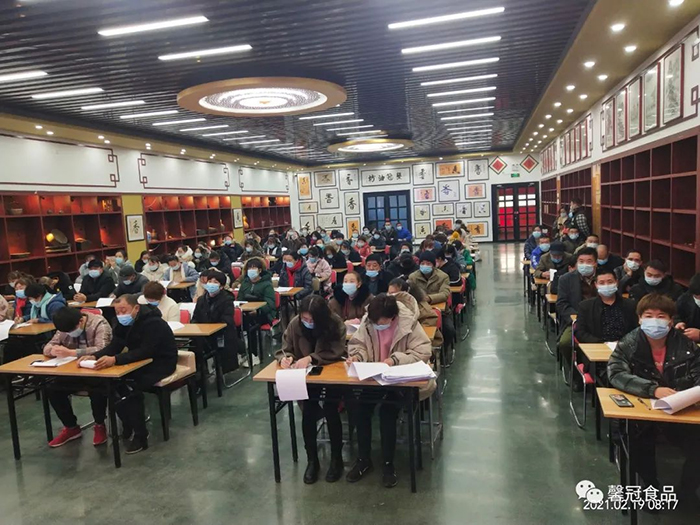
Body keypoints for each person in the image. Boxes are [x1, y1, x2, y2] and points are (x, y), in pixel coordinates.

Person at [607, 294, 700, 507]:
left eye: (661, 316)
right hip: (644, 410)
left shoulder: (687, 345)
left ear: (671, 321)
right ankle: (650, 488)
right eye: (649, 316)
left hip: (680, 409)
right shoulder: (628, 343)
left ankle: (688, 489)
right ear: (640, 319)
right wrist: (653, 389)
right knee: (639, 441)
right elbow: (616, 373)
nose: (655, 321)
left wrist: (691, 394)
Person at [346, 294, 433, 487]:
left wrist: (394, 360)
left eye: (383, 323)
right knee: (360, 410)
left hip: (399, 380)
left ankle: (388, 464)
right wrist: (358, 357)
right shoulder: (369, 320)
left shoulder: (408, 323)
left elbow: (423, 351)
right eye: (375, 322)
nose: (378, 325)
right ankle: (363, 460)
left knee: (387, 413)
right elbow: (358, 344)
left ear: (393, 318)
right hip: (374, 378)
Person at [80, 294, 177, 454]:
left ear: (136, 308)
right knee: (110, 385)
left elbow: (146, 350)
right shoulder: (123, 323)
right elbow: (115, 346)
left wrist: (116, 359)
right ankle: (128, 423)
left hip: (160, 362)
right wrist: (95, 356)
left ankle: (140, 434)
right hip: (137, 362)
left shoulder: (154, 323)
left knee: (132, 388)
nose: (120, 315)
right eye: (117, 312)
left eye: (123, 310)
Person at [276, 295, 347, 484]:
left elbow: (337, 350)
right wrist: (286, 358)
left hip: (331, 372)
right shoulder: (295, 324)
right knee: (308, 410)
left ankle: (336, 459)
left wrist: (312, 358)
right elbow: (286, 347)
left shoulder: (335, 324)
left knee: (331, 409)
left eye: (311, 319)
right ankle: (312, 460)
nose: (307, 322)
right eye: (304, 318)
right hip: (306, 376)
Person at [44, 307, 113, 447]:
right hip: (73, 370)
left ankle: (100, 424)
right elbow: (48, 346)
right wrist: (53, 350)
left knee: (97, 389)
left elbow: (102, 348)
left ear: (81, 321)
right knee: (52, 389)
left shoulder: (99, 323)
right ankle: (71, 427)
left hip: (97, 369)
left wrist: (72, 352)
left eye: (71, 330)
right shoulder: (65, 326)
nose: (69, 334)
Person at [556, 248, 598, 389]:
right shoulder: (566, 279)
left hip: (600, 320)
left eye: (589, 261)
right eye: (581, 261)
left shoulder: (604, 278)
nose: (585, 264)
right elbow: (561, 304)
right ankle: (575, 375)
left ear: (595, 263)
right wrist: (576, 318)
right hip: (576, 320)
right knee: (565, 343)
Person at [192, 271, 248, 368]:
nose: (211, 284)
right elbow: (195, 318)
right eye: (209, 281)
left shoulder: (227, 300)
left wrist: (210, 327)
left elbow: (226, 320)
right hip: (204, 334)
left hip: (222, 334)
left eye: (215, 282)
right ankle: (199, 371)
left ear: (221, 286)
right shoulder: (201, 300)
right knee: (194, 343)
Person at [575, 269, 638, 344]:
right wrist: (602, 343)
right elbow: (580, 333)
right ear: (596, 285)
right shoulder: (585, 306)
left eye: (610, 282)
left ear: (616, 282)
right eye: (601, 283)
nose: (606, 285)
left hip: (625, 346)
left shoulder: (630, 305)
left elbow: (636, 330)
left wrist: (624, 343)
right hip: (598, 346)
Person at [408, 251, 454, 344]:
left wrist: (429, 298)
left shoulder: (443, 276)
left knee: (449, 330)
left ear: (433, 265)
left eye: (428, 263)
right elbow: (409, 295)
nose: (425, 266)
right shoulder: (413, 277)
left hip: (440, 311)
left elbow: (445, 294)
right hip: (419, 311)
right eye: (422, 263)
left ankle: (443, 348)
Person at [237, 258, 276, 327]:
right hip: (246, 311)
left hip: (263, 313)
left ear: (260, 270)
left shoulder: (267, 284)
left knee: (252, 322)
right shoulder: (244, 283)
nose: (251, 270)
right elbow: (240, 299)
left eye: (253, 268)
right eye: (249, 268)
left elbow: (270, 303)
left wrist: (258, 311)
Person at [674, 273, 700, 342]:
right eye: (696, 297)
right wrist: (678, 323)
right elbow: (675, 314)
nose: (698, 300)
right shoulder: (685, 298)